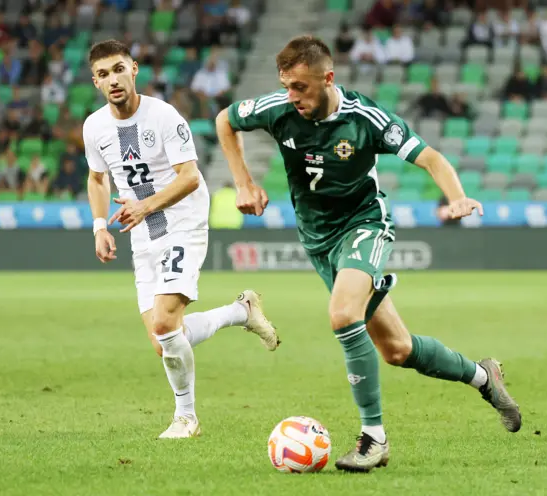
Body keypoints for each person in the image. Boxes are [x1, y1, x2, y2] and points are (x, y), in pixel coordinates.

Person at [215, 35, 521, 473]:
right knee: (396, 349)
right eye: (287, 86)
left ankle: (373, 439)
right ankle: (483, 376)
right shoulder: (277, 109)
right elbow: (225, 120)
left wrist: (457, 197)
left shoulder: (366, 119)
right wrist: (243, 182)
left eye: (301, 86)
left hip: (364, 224)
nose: (292, 96)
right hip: (318, 240)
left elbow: (431, 157)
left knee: (342, 314)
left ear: (328, 78)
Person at [83, 40, 279, 440]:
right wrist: (100, 224)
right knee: (165, 340)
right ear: (95, 82)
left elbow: (190, 177)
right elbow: (97, 178)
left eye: (119, 69)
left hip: (182, 223)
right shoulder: (94, 127)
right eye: (103, 74)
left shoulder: (164, 116)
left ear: (134, 69)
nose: (113, 79)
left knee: (164, 322)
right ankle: (242, 312)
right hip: (142, 233)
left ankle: (186, 418)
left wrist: (144, 206)